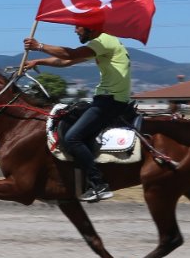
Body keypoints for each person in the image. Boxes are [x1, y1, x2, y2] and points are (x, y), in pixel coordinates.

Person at [23, 25, 131, 202]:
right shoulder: (103, 43)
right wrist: (38, 62)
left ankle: (99, 184)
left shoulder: (103, 40)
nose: (75, 31)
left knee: (72, 138)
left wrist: (39, 46)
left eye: (78, 27)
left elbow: (71, 54)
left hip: (109, 102)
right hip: (106, 100)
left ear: (90, 27)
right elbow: (66, 62)